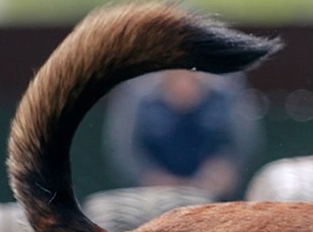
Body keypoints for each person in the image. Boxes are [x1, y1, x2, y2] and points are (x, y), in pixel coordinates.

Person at [107, 69, 254, 199]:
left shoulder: (226, 95)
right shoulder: (138, 98)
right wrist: (149, 178)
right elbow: (123, 150)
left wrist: (225, 171)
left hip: (213, 196)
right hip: (151, 197)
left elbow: (242, 145)